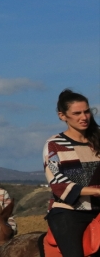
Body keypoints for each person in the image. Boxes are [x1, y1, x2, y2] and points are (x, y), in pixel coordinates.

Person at [43, 89, 100, 257]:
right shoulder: (54, 144)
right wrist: (96, 191)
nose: (84, 117)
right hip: (69, 212)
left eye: (87, 111)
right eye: (77, 113)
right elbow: (57, 183)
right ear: (62, 116)